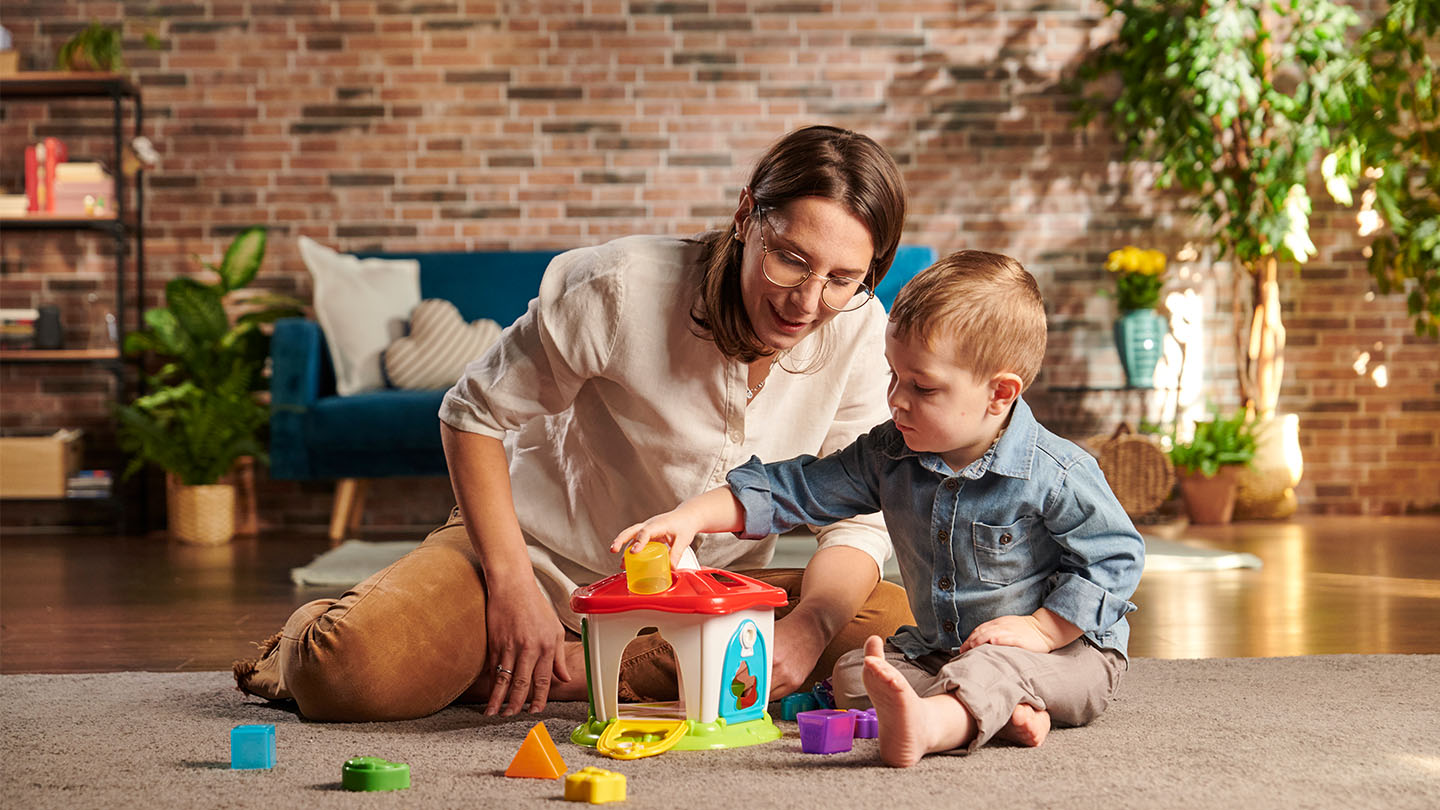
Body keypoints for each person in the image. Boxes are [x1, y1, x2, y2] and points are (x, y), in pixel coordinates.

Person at [233, 125, 915, 721]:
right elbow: (471, 413)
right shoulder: (619, 288)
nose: (807, 301)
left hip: (702, 601)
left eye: (841, 278)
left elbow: (859, 512)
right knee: (346, 670)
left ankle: (562, 673)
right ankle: (568, 661)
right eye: (790, 258)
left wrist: (809, 627)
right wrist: (512, 590)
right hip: (532, 560)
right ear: (746, 217)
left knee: (895, 626)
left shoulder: (858, 329)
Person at [611, 250, 1144, 766]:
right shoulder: (890, 454)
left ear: (999, 393)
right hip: (947, 652)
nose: (896, 399)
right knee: (855, 673)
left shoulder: (1057, 473)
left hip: (1067, 656)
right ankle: (1003, 712)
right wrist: (688, 518)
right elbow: (793, 488)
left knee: (994, 665)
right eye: (892, 375)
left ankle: (934, 726)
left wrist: (1042, 630)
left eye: (922, 386)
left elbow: (1117, 557)